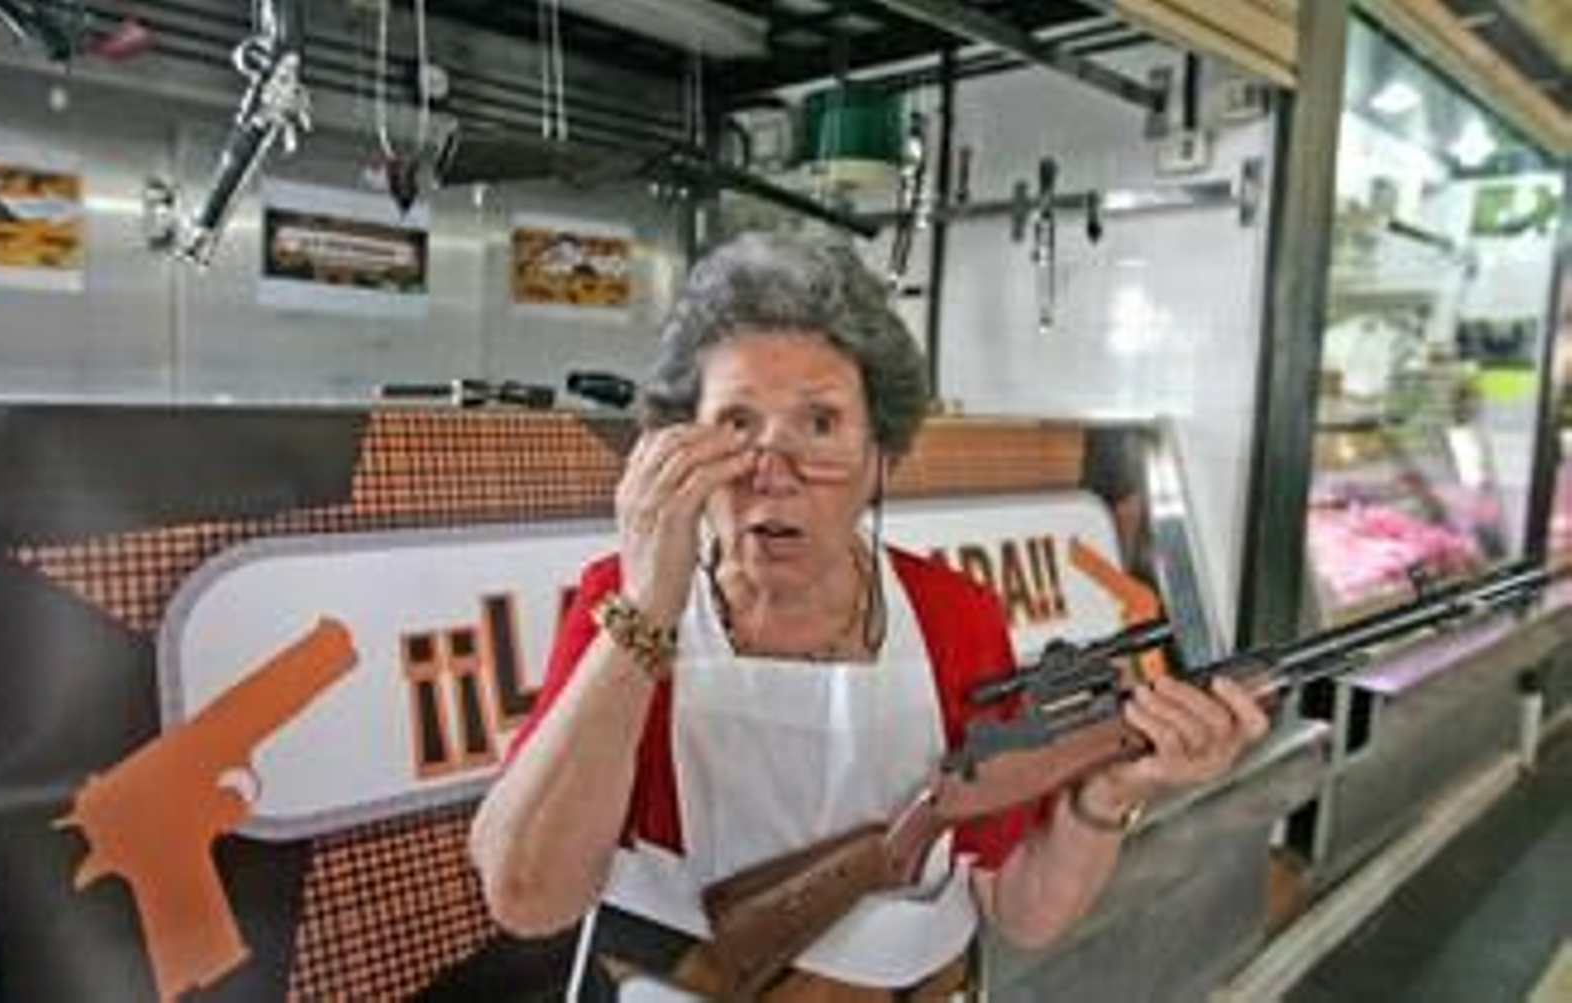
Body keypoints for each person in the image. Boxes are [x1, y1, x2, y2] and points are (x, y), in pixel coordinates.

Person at [469, 230, 1269, 999]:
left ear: (883, 457)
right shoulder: (625, 599)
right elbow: (528, 897)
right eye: (736, 423)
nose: (772, 471)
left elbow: (1024, 911)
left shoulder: (956, 617)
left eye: (820, 424)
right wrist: (644, 613)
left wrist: (1110, 793)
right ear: (677, 447)